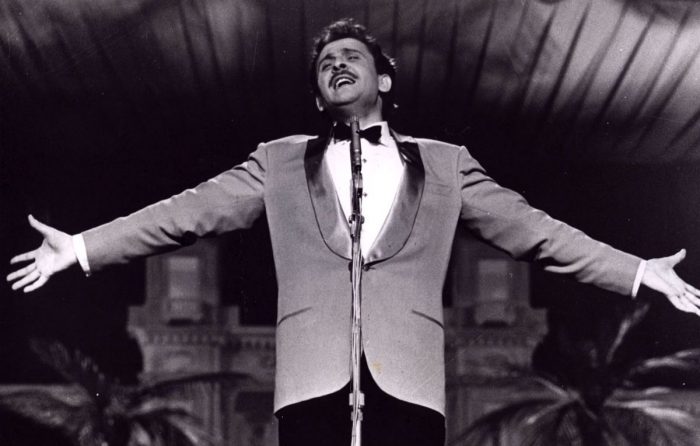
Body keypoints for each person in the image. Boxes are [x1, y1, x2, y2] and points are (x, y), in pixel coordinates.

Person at [7, 18, 700, 446]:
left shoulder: (447, 165)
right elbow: (184, 211)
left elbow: (534, 230)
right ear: (318, 95)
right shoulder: (278, 162)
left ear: (384, 81)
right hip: (310, 381)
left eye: (351, 55)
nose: (337, 63)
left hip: (411, 384)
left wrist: (637, 269)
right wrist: (84, 246)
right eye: (325, 63)